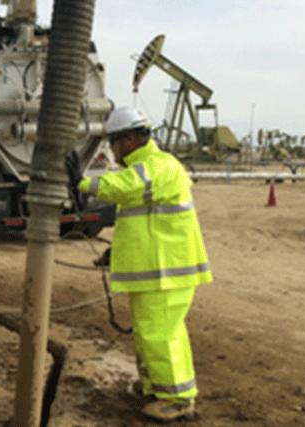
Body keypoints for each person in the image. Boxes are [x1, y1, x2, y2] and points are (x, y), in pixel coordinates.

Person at [66, 107, 213, 422]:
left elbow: (123, 187)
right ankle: (157, 387)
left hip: (167, 273)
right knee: (149, 332)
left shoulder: (157, 166)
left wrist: (82, 182)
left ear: (129, 140)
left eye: (113, 143)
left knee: (160, 334)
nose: (111, 150)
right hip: (156, 271)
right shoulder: (148, 166)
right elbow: (140, 217)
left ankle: (178, 399)